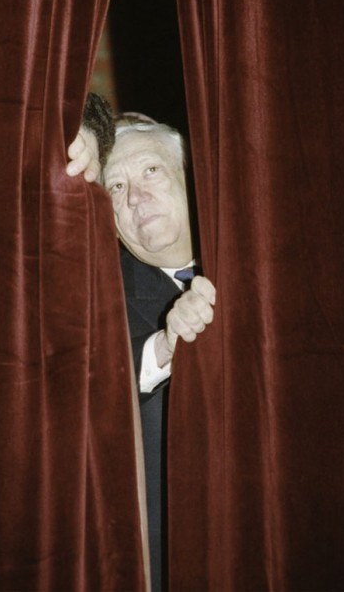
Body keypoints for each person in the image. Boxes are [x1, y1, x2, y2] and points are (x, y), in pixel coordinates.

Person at [67, 96, 216, 592]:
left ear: (191, 177)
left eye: (151, 170)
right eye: (116, 186)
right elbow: (82, 385)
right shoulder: (97, 293)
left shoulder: (265, 255)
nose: (134, 197)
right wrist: (166, 346)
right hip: (172, 555)